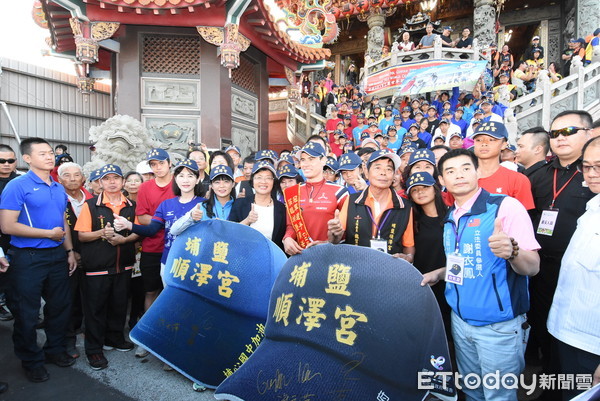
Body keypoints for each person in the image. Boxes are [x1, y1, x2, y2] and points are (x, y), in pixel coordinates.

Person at [421, 148, 540, 401]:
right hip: (461, 322)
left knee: (499, 395)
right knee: (472, 391)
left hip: (498, 326)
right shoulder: (451, 217)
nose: (459, 175)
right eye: (450, 171)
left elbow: (533, 267)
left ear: (477, 172)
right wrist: (440, 274)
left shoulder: (505, 207)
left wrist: (512, 252)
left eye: (466, 168)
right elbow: (463, 264)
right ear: (441, 181)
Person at [527, 111, 595, 398]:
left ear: (589, 133)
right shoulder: (536, 174)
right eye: (555, 134)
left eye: (569, 131)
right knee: (544, 327)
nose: (561, 138)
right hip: (541, 268)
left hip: (587, 278)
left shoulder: (592, 176)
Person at [0, 137, 78, 382]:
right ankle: (31, 360)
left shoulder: (57, 187)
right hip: (27, 258)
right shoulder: (17, 186)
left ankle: (54, 350)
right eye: (42, 153)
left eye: (50, 153)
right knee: (27, 313)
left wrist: (69, 251)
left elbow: (62, 221)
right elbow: (7, 225)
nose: (49, 156)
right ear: (27, 158)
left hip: (57, 256)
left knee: (59, 307)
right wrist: (48, 234)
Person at [546, 136, 600, 400]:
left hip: (592, 346)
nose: (592, 174)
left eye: (599, 166)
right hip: (565, 331)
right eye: (587, 166)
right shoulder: (592, 208)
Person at [74, 164, 139, 370]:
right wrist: (103, 233)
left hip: (123, 266)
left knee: (119, 305)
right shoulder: (91, 205)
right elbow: (82, 235)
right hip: (97, 267)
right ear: (100, 182)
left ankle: (114, 338)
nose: (112, 182)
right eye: (107, 178)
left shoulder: (131, 205)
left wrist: (123, 239)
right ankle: (94, 350)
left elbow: (138, 232)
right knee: (95, 309)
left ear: (122, 182)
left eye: (116, 178)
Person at [328, 150, 415, 261]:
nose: (383, 173)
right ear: (366, 172)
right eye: (377, 168)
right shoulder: (352, 200)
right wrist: (334, 233)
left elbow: (409, 245)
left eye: (389, 169)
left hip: (388, 271)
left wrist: (408, 258)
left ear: (394, 175)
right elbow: (335, 239)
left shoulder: (404, 206)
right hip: (356, 267)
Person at [134, 148, 174, 357]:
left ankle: (168, 340)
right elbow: (141, 217)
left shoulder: (180, 182)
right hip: (152, 247)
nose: (158, 168)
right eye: (153, 165)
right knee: (150, 291)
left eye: (161, 163)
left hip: (177, 249)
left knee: (173, 294)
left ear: (169, 163)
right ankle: (147, 336)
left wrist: (157, 220)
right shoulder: (145, 188)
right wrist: (171, 219)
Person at [282, 142, 348, 255]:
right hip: (301, 256)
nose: (306, 164)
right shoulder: (291, 192)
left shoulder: (340, 192)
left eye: (311, 159)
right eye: (303, 160)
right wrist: (287, 239)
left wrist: (327, 243)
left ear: (323, 160)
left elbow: (347, 231)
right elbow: (291, 226)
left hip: (330, 256)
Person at [406, 171, 451, 333]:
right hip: (423, 283)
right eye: (414, 190)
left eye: (424, 187)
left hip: (451, 281)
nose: (420, 192)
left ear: (435, 189)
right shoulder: (412, 221)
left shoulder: (453, 215)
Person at [57, 162, 93, 359]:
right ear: (59, 179)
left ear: (83, 178)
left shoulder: (93, 199)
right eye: (67, 175)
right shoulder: (56, 198)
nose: (72, 179)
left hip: (91, 255)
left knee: (90, 296)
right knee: (68, 298)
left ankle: (89, 331)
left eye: (76, 175)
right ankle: (68, 339)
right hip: (66, 255)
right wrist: (71, 251)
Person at [472, 121, 535, 210]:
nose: (484, 143)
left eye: (491, 140)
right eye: (478, 140)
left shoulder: (517, 180)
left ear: (503, 145)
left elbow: (523, 219)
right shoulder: (462, 178)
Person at [228, 160, 286, 250]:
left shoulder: (280, 208)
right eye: (259, 177)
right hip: (244, 257)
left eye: (268, 178)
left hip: (271, 259)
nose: (263, 181)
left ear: (274, 182)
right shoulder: (240, 204)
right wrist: (247, 221)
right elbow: (230, 233)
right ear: (252, 180)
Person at [0, 144, 18, 323]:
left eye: (10, 160)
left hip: (20, 238)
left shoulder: (22, 182)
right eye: (2, 160)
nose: (6, 164)